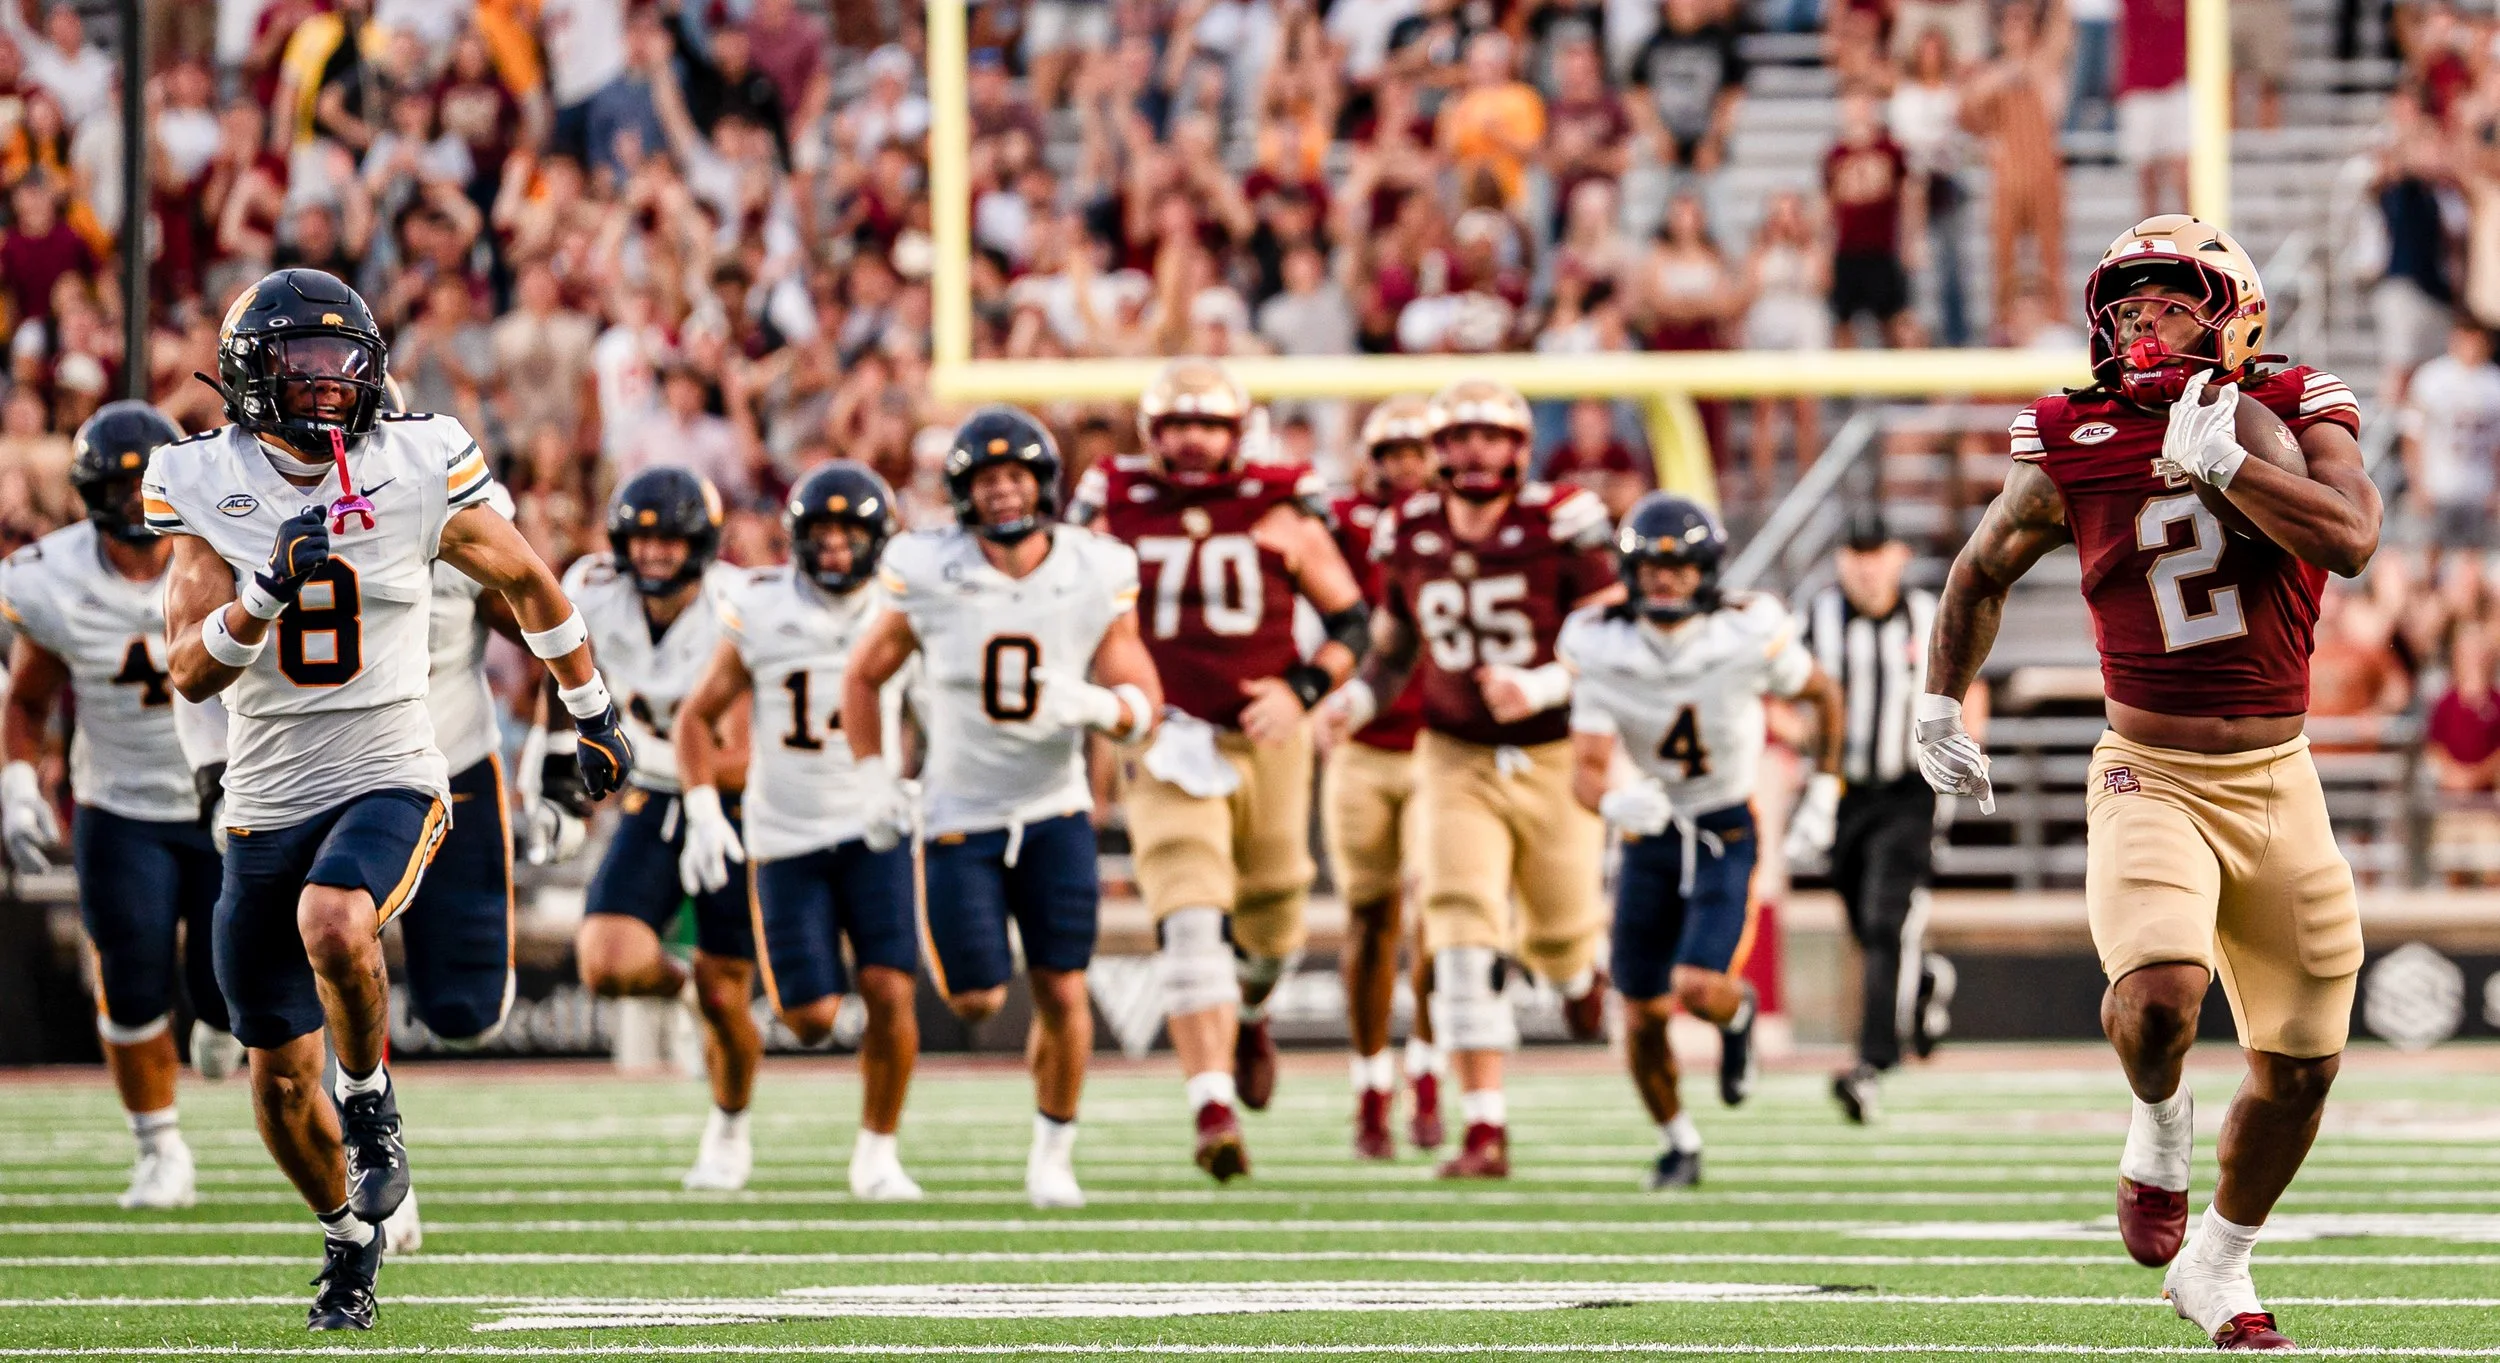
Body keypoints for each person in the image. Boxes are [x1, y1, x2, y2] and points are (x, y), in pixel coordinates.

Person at [1916, 215, 2375, 1350]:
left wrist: (2231, 463)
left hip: (2280, 773)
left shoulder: (2297, 403)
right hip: (2150, 769)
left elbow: (2354, 536)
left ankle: (2217, 1262)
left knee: (2303, 1067)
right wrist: (1938, 697)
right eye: (2125, 310)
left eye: (2169, 304)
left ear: (2232, 312)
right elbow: (1981, 568)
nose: (2143, 326)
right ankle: (2156, 1129)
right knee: (2162, 992)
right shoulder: (2074, 431)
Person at [151, 267, 631, 1330]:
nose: (329, 389)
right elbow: (187, 671)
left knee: (335, 919)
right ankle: (350, 1236)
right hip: (264, 792)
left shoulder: (416, 459)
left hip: (392, 767)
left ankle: (372, 1111)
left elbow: (528, 579)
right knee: (276, 1080)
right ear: (248, 377)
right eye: (302, 368)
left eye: (344, 366)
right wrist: (261, 595)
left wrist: (591, 710)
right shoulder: (201, 479)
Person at [842, 406, 1162, 1211]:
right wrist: (876, 775)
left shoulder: (1093, 566)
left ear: (1044, 482)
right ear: (963, 492)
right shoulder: (927, 567)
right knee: (976, 996)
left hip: (1055, 809)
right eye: (989, 481)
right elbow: (862, 676)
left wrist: (1099, 707)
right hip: (959, 812)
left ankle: (1054, 1150)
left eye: (1018, 476)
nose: (1006, 493)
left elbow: (1141, 694)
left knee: (1062, 988)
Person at [1066, 358, 1367, 1182]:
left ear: (1238, 435)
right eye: (1176, 426)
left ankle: (1257, 1009)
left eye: (1208, 426)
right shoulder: (1112, 510)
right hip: (1163, 738)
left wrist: (1302, 688)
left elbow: (1352, 620)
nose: (1192, 442)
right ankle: (1211, 1106)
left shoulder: (1280, 506)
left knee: (1273, 920)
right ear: (1149, 434)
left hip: (1267, 736)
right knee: (1189, 906)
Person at [1316, 378, 1623, 1180]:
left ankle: (1577, 972)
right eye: (1461, 438)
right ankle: (1484, 1126)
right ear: (1439, 450)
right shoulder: (1409, 529)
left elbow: (1620, 640)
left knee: (1559, 939)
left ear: (1520, 449)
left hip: (1551, 752)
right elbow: (1392, 647)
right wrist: (1351, 698)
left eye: (1492, 437)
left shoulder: (1563, 523)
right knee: (1456, 926)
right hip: (1453, 752)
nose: (1476, 452)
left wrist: (1546, 683)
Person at [1561, 493, 1844, 1189]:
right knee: (1642, 1014)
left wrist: (1827, 786)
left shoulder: (1744, 633)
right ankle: (1676, 1138)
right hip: (1650, 833)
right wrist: (1611, 799)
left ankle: (1737, 1012)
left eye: (1681, 568)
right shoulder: (1604, 644)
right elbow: (1586, 772)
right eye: (1652, 569)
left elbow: (1823, 694)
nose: (1665, 581)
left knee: (1696, 987)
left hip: (1722, 825)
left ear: (1707, 570)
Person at [0, 402, 238, 1213]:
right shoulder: (55, 578)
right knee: (131, 979)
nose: (139, 513)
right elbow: (28, 698)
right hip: (121, 806)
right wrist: (19, 784)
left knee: (227, 987)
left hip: (227, 793)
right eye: (121, 494)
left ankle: (219, 1018)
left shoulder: (226, 545)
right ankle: (159, 1145)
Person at [675, 462, 924, 1202]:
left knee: (889, 988)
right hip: (785, 835)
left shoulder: (906, 602)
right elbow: (696, 715)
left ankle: (878, 1152)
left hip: (874, 825)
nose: (838, 546)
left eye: (851, 531)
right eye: (823, 532)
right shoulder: (761, 604)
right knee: (808, 1017)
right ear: (797, 538)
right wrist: (701, 806)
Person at [563, 468, 758, 1192]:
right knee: (606, 961)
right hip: (655, 794)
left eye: (669, 539)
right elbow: (561, 673)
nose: (652, 553)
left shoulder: (736, 604)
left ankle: (730, 1129)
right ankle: (678, 991)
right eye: (641, 538)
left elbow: (737, 748)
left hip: (736, 804)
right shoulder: (594, 589)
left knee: (727, 992)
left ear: (700, 543)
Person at [1804, 509, 1963, 1124]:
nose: (1867, 567)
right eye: (1856, 554)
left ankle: (1870, 1064)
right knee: (1864, 922)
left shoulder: (1928, 616)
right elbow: (1786, 696)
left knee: (1882, 920)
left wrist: (1963, 747)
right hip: (1843, 791)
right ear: (1842, 560)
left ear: (1898, 556)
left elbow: (1967, 683)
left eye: (1877, 553)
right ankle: (1921, 981)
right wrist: (1803, 751)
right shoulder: (1815, 618)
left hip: (1909, 788)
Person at [1321, 397, 1441, 1159]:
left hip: (1441, 740)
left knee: (1437, 919)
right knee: (1369, 923)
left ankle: (1427, 1075)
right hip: (1362, 740)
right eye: (1390, 451)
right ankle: (1372, 1084)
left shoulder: (1469, 522)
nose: (1403, 466)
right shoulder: (1341, 522)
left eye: (1416, 450)